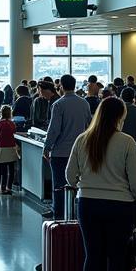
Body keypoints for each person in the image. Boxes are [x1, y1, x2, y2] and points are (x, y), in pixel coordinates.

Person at [65, 95, 136, 271]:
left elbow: (70, 176)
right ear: (120, 116)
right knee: (116, 258)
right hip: (119, 206)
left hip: (88, 203)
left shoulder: (83, 139)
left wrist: (86, 183)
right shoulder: (126, 142)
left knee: (93, 257)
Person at [43, 74, 93, 221]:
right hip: (80, 151)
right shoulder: (84, 103)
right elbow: (89, 125)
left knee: (59, 185)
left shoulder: (58, 104)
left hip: (60, 152)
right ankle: (75, 214)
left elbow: (54, 130)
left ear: (61, 86)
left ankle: (58, 214)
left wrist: (47, 147)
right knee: (77, 183)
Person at [0, 104, 19, 195]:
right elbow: (14, 133)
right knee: (11, 170)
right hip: (11, 148)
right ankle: (8, 188)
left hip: (1, 148)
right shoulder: (12, 123)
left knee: (0, 170)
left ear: (1, 113)